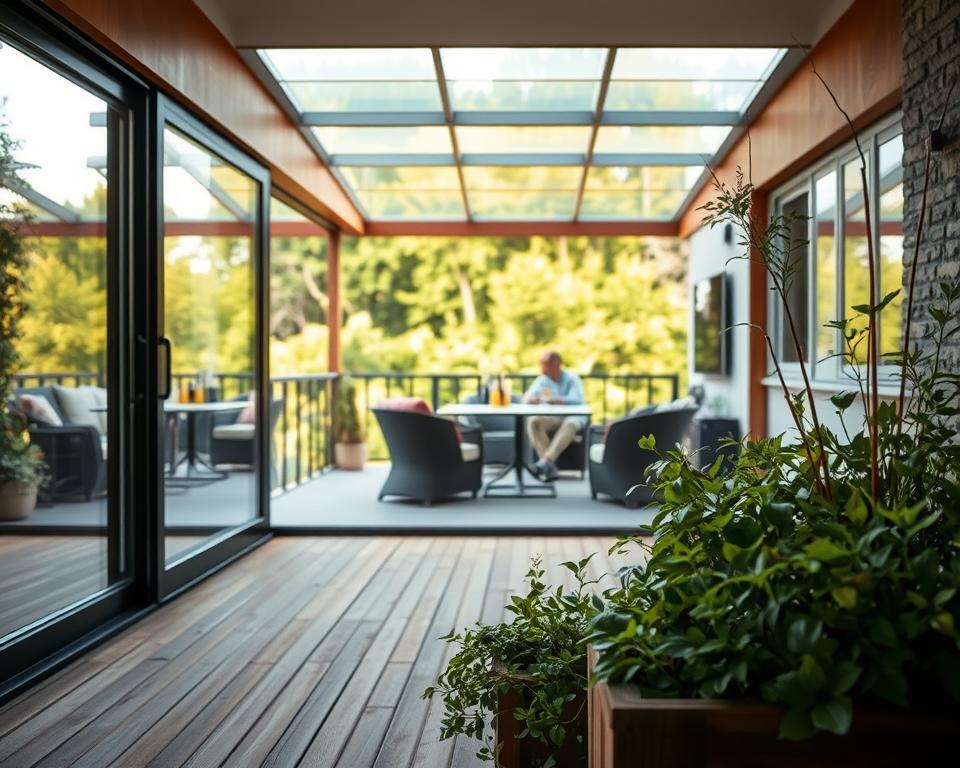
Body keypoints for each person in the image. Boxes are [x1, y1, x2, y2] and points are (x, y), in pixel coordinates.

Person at [523, 350, 585, 481]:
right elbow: (527, 397)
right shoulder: (543, 379)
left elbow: (576, 399)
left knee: (571, 423)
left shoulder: (572, 379)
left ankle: (546, 461)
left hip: (572, 416)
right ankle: (547, 465)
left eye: (546, 365)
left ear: (556, 364)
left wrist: (555, 400)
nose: (543, 369)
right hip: (552, 418)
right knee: (533, 421)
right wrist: (531, 399)